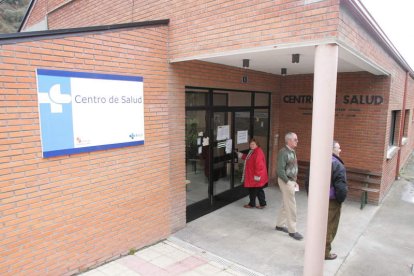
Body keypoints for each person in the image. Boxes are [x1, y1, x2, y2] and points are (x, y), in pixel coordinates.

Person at [275, 132, 303, 240]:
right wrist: (288, 182)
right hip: (285, 181)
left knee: (285, 204)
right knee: (291, 206)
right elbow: (280, 170)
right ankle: (293, 231)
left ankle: (279, 225)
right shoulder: (283, 152)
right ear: (289, 141)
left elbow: (292, 167)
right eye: (295, 139)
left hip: (291, 181)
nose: (297, 141)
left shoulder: (292, 151)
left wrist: (294, 181)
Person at [325, 140, 348, 260]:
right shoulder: (337, 164)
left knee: (319, 225)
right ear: (332, 149)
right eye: (338, 148)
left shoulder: (320, 159)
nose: (340, 150)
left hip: (319, 200)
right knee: (330, 226)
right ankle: (325, 252)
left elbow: (308, 180)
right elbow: (341, 187)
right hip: (332, 202)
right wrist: (340, 199)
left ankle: (315, 248)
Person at [238, 138, 269, 209]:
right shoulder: (254, 151)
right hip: (253, 175)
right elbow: (248, 158)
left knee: (255, 190)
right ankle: (261, 203)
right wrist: (239, 155)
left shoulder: (257, 152)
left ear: (257, 144)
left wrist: (257, 177)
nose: (251, 145)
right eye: (250, 144)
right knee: (257, 190)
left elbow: (259, 166)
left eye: (253, 144)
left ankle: (253, 204)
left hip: (255, 176)